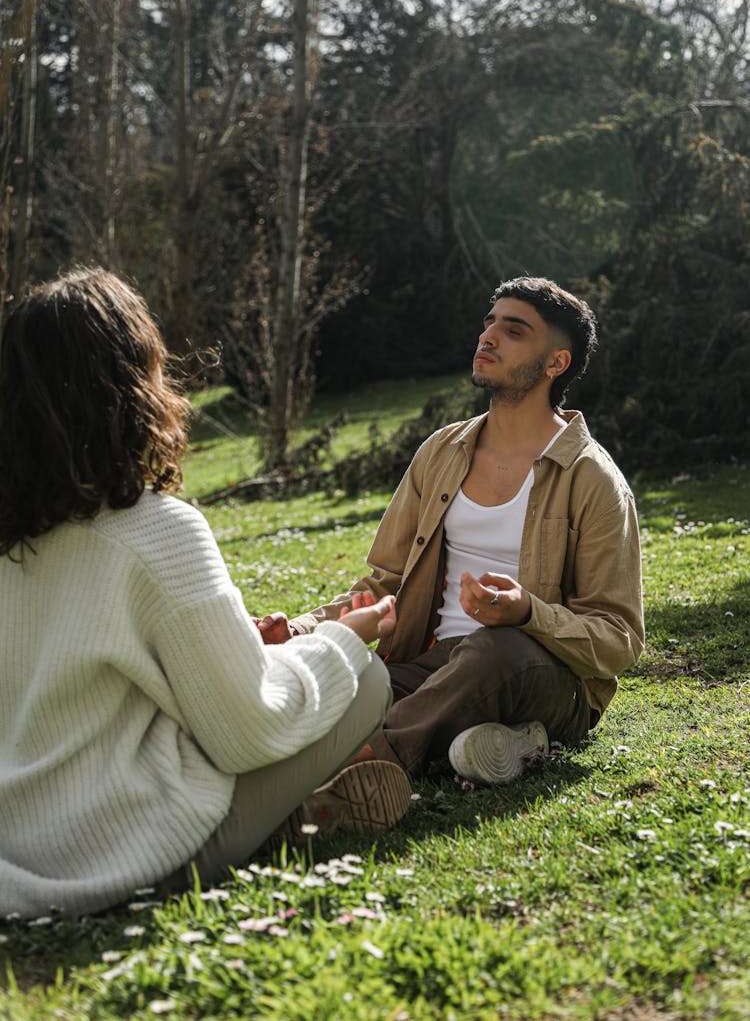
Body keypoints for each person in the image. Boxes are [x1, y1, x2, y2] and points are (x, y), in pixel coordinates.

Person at [0, 267, 411, 919]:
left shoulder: (12, 538)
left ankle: (299, 818)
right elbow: (248, 729)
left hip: (15, 852)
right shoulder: (157, 530)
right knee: (366, 680)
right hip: (119, 860)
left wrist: (243, 644)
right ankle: (291, 825)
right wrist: (344, 637)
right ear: (136, 384)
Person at [259, 276, 645, 784]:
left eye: (514, 331)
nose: (487, 338)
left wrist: (528, 613)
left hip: (543, 673)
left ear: (556, 363)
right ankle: (499, 740)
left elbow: (619, 640)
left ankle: (366, 771)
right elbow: (386, 584)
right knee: (353, 682)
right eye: (489, 324)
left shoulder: (591, 477)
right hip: (432, 663)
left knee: (493, 650)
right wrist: (303, 631)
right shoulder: (442, 452)